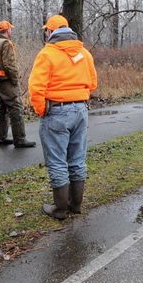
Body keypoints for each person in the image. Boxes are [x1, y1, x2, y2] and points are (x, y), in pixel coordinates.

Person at [28, 15, 98, 219]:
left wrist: (42, 110)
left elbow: (36, 87)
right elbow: (93, 83)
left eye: (46, 31)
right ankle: (75, 205)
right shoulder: (84, 53)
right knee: (77, 159)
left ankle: (60, 209)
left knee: (57, 161)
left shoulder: (47, 53)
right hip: (81, 110)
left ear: (50, 32)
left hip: (57, 111)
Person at [0, 21, 36, 148]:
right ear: (8, 30)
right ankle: (20, 139)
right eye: (10, 30)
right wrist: (15, 80)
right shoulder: (6, 43)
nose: (11, 31)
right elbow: (9, 64)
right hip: (6, 80)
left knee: (2, 108)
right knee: (16, 107)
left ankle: (1, 138)